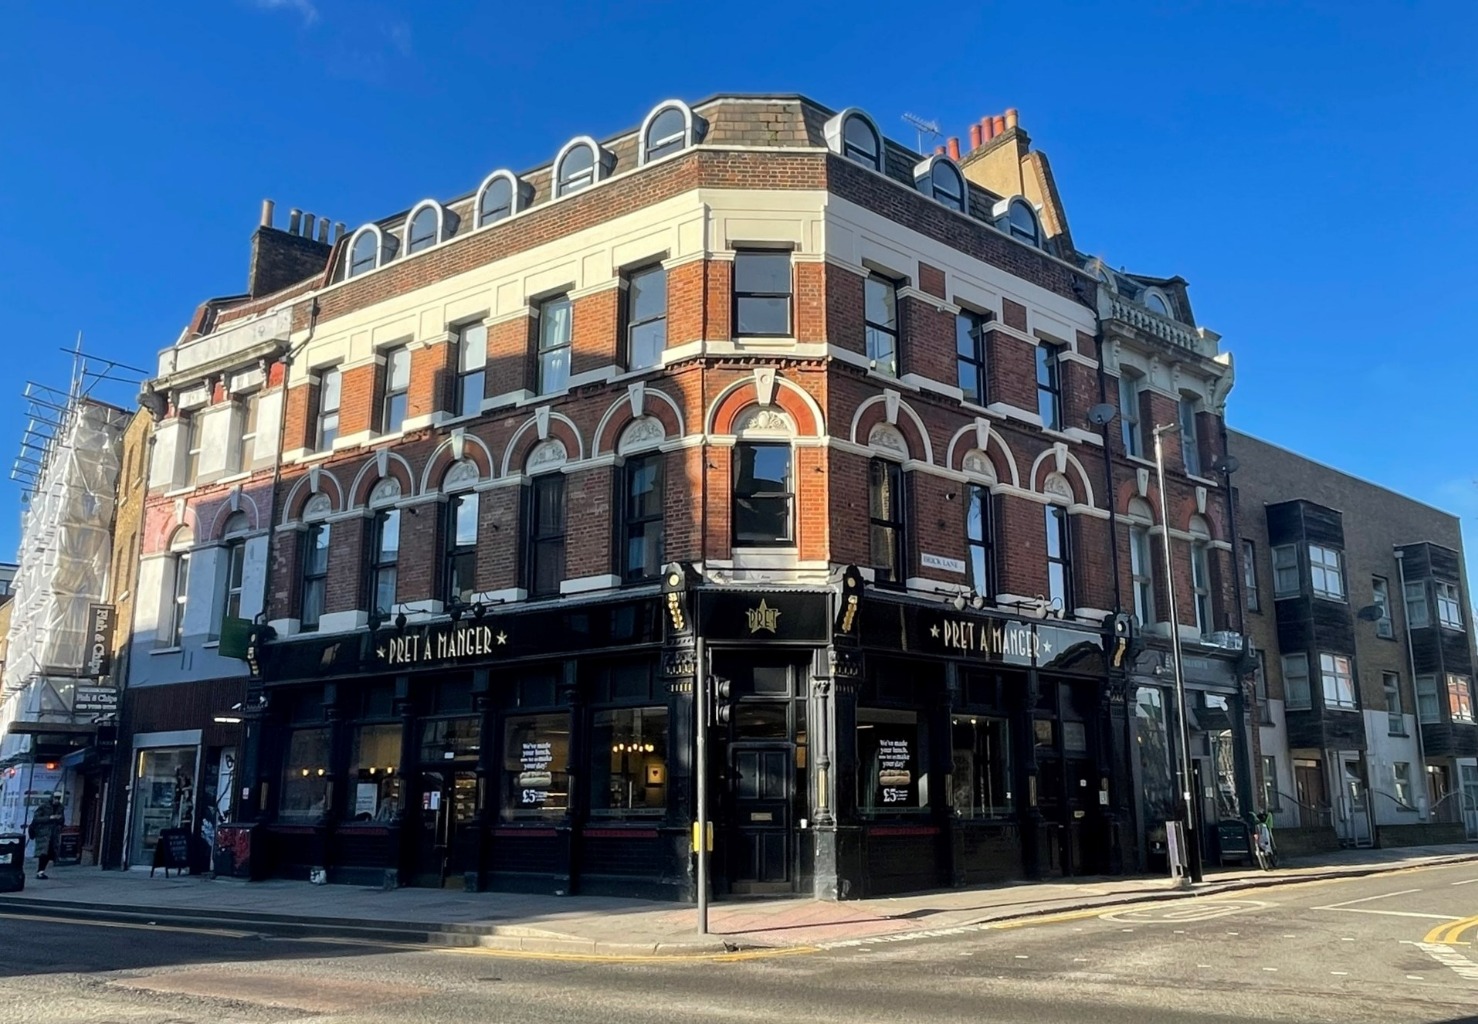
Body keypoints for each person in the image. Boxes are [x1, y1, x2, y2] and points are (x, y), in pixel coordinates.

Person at [28, 800, 61, 879]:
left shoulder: (60, 807)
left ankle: (41, 871)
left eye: (58, 798)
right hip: (43, 833)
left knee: (50, 852)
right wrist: (49, 818)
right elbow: (36, 819)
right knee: (43, 853)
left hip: (53, 834)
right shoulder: (44, 806)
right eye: (55, 798)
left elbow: (61, 820)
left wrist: (59, 820)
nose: (56, 800)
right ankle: (40, 871)